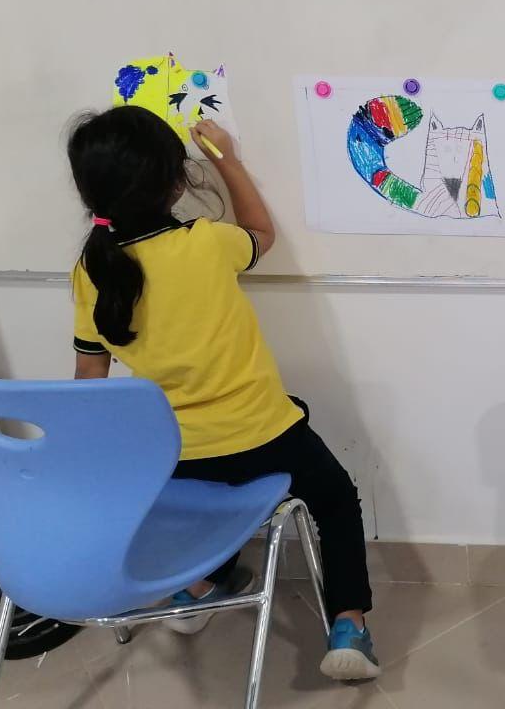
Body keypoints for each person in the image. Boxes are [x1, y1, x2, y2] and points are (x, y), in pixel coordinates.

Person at [67, 106, 378, 680]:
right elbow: (263, 234)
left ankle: (200, 586)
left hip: (173, 456)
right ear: (175, 182)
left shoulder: (92, 270)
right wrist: (229, 160)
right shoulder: (206, 244)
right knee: (335, 497)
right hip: (263, 434)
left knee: (196, 502)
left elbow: (90, 384)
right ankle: (349, 623)